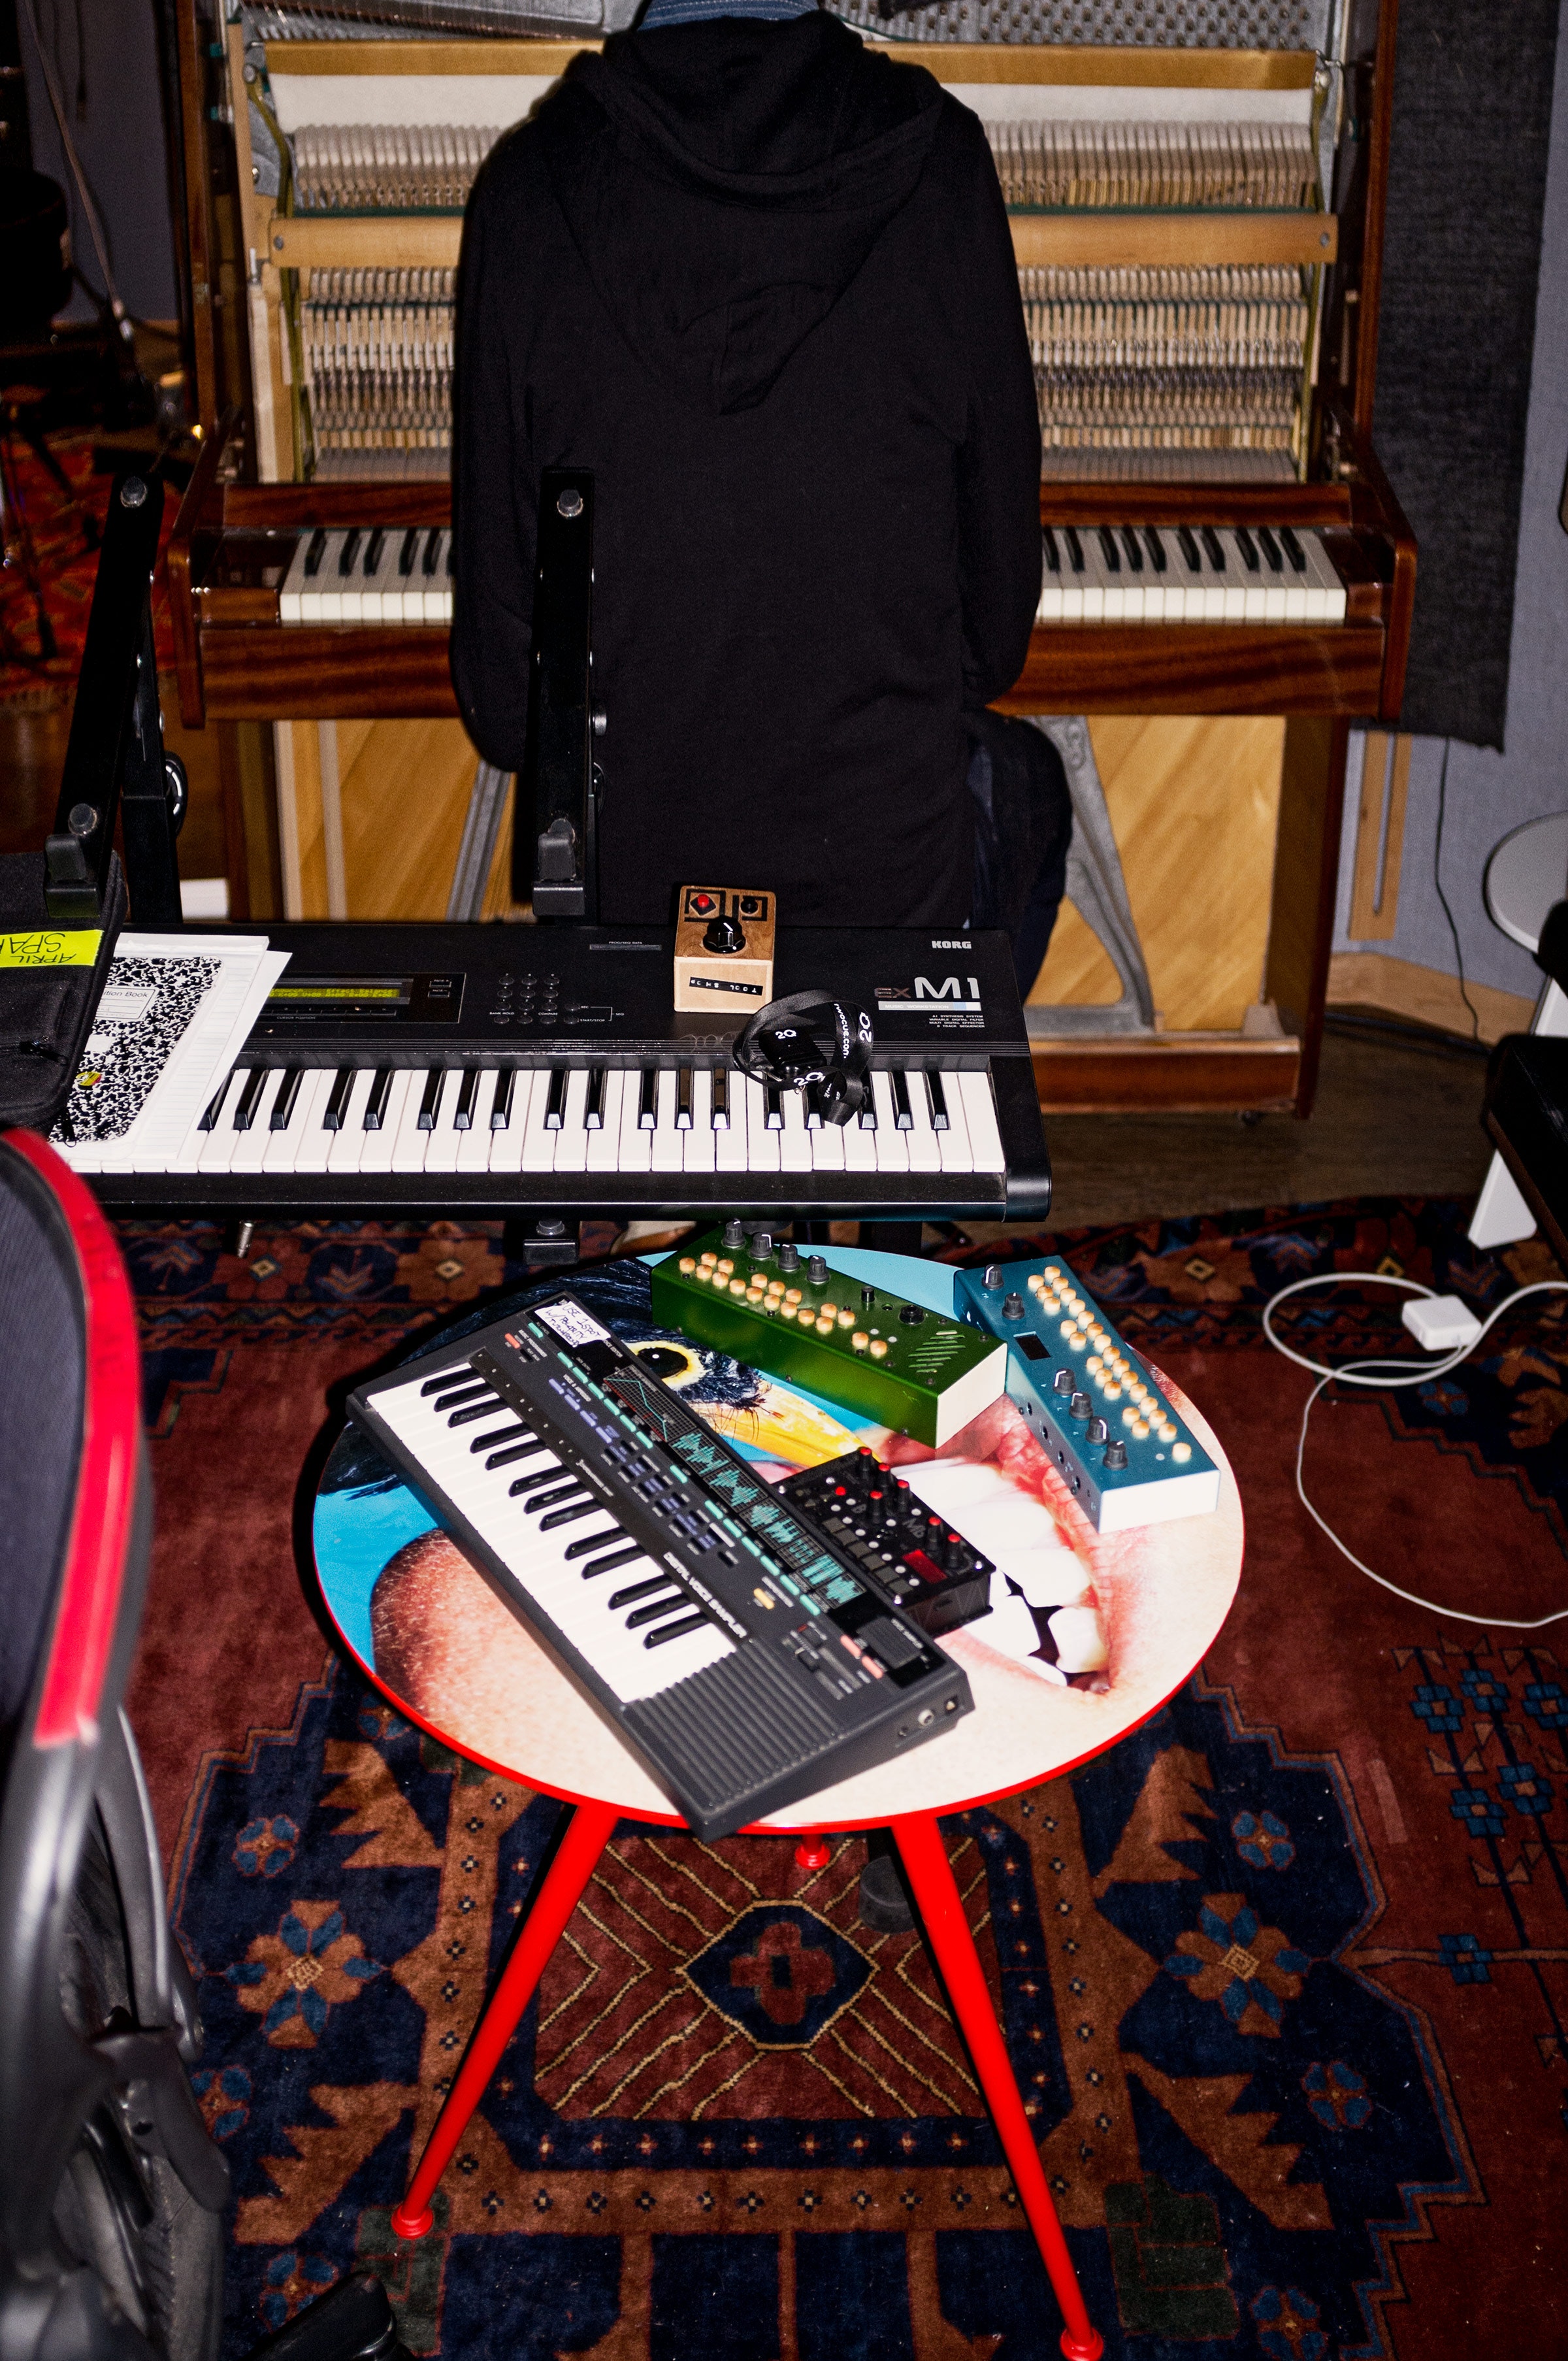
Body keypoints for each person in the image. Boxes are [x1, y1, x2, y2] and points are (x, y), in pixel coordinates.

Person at [451, 0, 1071, 982]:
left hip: (642, 929)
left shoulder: (524, 193)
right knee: (1033, 777)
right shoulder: (943, 165)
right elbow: (998, 640)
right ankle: (933, 1087)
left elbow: (501, 706)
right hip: (885, 915)